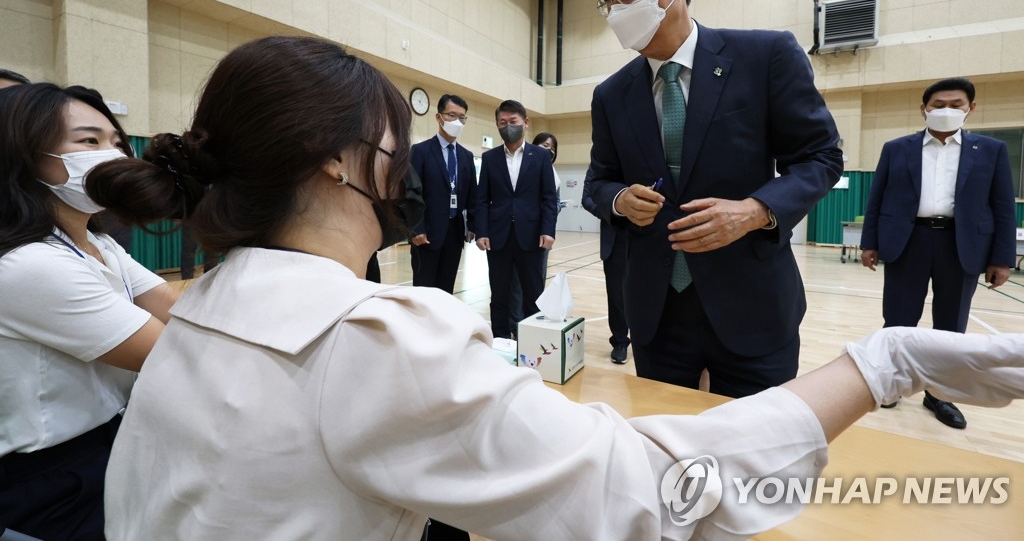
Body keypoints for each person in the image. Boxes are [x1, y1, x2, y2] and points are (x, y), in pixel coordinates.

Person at [87, 36, 1024, 540]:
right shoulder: (372, 338)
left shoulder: (197, 308)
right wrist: (880, 361)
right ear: (340, 163)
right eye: (394, 135)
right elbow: (656, 495)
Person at [587, 0, 843, 397]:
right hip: (657, 314)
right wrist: (620, 200)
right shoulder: (610, 95)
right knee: (668, 454)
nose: (617, 8)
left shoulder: (765, 57)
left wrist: (755, 210)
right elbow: (598, 182)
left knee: (756, 454)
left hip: (751, 305)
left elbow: (821, 157)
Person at [0, 83, 176, 539]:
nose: (113, 156)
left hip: (113, 438)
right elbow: (174, 350)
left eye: (116, 142)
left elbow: (175, 309)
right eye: (89, 141)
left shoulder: (96, 242)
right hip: (53, 477)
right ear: (23, 153)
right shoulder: (30, 263)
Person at [860, 77, 1016, 429]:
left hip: (962, 245)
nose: (946, 110)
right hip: (908, 241)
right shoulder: (896, 148)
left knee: (951, 326)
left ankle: (940, 394)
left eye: (956, 105)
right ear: (924, 109)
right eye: (938, 105)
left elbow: (1003, 207)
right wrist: (870, 242)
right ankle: (893, 385)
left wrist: (1001, 258)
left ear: (970, 109)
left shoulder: (991, 151)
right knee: (898, 320)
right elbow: (877, 199)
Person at [475, 100, 558, 338]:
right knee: (499, 295)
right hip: (498, 238)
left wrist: (548, 230)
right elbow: (482, 200)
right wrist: (481, 231)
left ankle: (533, 341)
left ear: (525, 123)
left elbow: (549, 198)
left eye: (513, 121)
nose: (508, 126)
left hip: (531, 237)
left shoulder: (540, 156)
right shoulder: (490, 158)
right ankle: (500, 341)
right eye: (503, 122)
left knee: (533, 295)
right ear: (497, 125)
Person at [408, 94, 477, 294]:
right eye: (452, 115)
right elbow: (410, 192)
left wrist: (472, 226)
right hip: (426, 235)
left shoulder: (466, 156)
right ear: (439, 117)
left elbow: (473, 194)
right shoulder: (420, 151)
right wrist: (415, 230)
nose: (457, 121)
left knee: (445, 291)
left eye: (462, 117)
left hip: (454, 236)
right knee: (424, 293)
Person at [508, 132, 561, 322]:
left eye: (552, 148)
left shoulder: (554, 176)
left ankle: (533, 322)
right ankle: (515, 323)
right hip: (519, 233)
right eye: (545, 145)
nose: (549, 151)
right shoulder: (524, 168)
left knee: (536, 282)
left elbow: (553, 203)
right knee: (515, 284)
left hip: (541, 237)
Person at [582, 166, 631, 364]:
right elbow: (587, 198)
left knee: (650, 294)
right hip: (615, 237)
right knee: (617, 296)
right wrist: (613, 212)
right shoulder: (600, 164)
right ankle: (620, 342)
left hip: (649, 236)